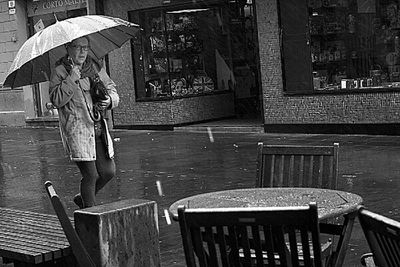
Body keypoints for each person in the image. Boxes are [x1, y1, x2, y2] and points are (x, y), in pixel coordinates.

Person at [49, 36, 119, 208]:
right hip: (77, 131)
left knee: (108, 172)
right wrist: (71, 79)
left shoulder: (94, 67)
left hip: (98, 128)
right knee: (91, 175)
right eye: (78, 47)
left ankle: (83, 199)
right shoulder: (60, 71)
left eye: (85, 47)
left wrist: (109, 100)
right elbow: (56, 100)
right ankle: (91, 217)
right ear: (68, 47)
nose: (82, 51)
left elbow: (111, 87)